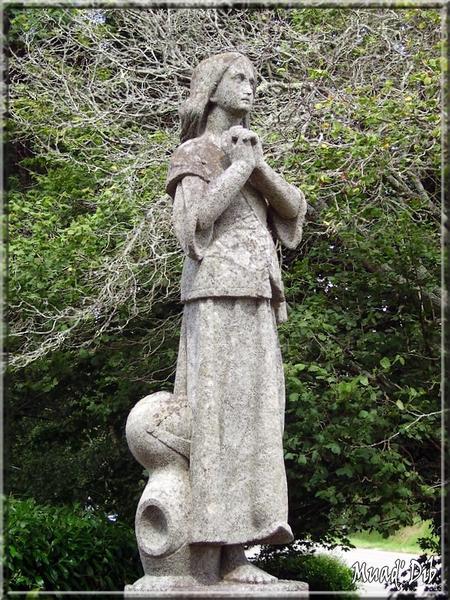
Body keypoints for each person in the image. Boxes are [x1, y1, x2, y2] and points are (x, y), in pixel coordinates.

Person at [165, 52, 307, 585]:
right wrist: (239, 169)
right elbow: (193, 226)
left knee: (257, 421)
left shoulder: (249, 152)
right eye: (240, 78)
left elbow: (293, 210)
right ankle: (212, 552)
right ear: (212, 87)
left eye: (254, 79)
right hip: (216, 295)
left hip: (258, 296)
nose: (252, 87)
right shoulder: (194, 151)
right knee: (220, 419)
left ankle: (240, 552)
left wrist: (257, 165)